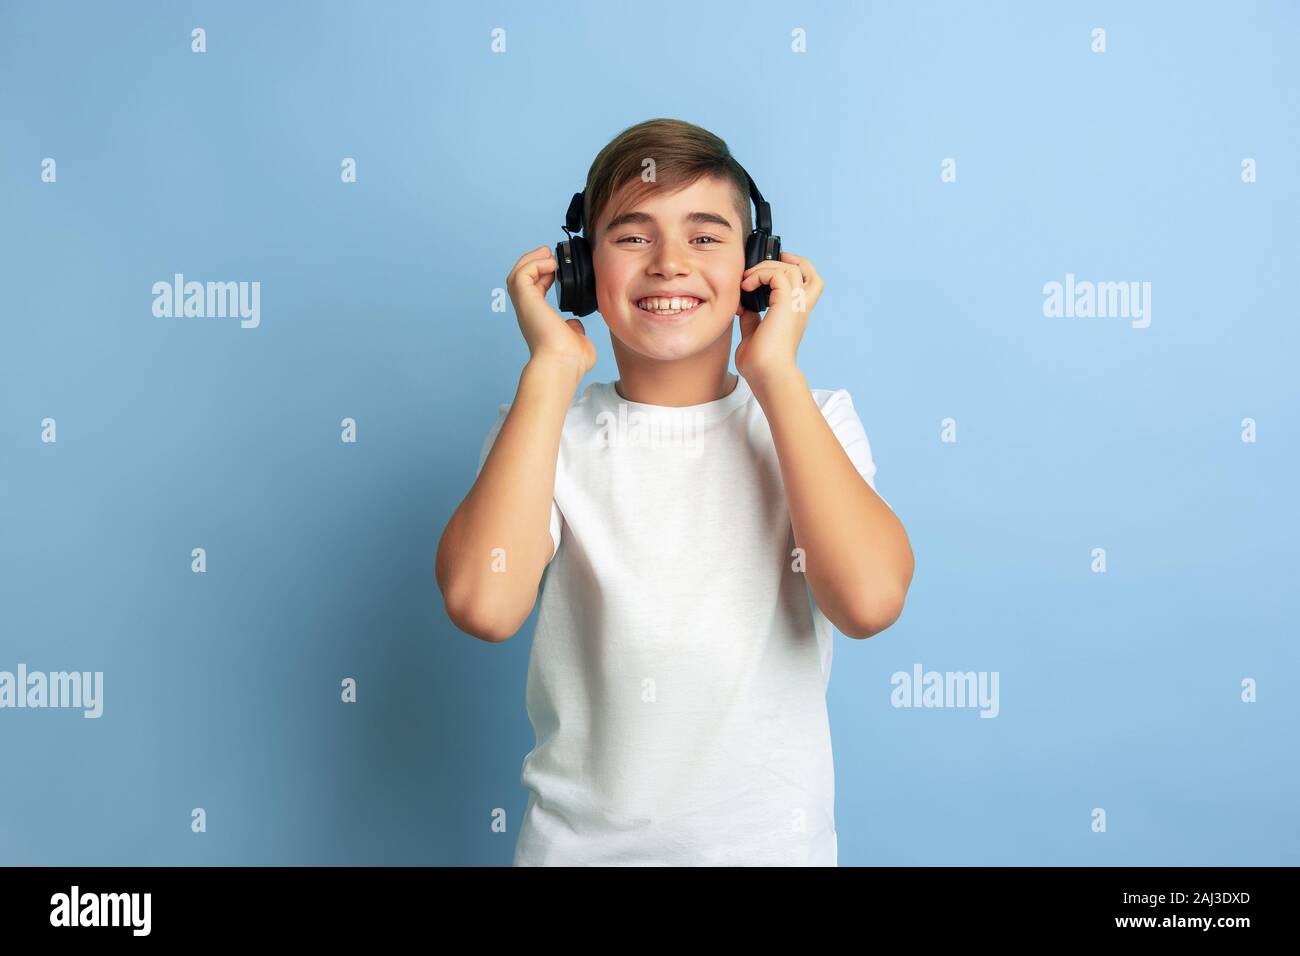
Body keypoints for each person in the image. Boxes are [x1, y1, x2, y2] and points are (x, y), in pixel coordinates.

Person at [435, 118, 914, 866]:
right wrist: (550, 371)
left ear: (759, 264)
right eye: (631, 236)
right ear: (580, 270)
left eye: (705, 236)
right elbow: (483, 606)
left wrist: (776, 374)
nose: (668, 263)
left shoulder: (814, 420)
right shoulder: (543, 429)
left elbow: (870, 601)